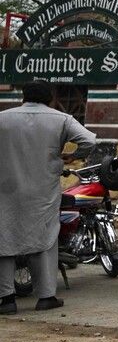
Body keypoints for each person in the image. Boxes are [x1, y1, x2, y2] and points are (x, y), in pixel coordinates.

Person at [0, 80, 96, 314]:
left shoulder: (3, 118)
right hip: (43, 190)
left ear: (23, 96)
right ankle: (45, 297)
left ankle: (6, 300)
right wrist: (72, 156)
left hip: (6, 188)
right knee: (45, 239)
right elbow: (89, 140)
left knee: (5, 238)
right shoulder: (60, 119)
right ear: (50, 98)